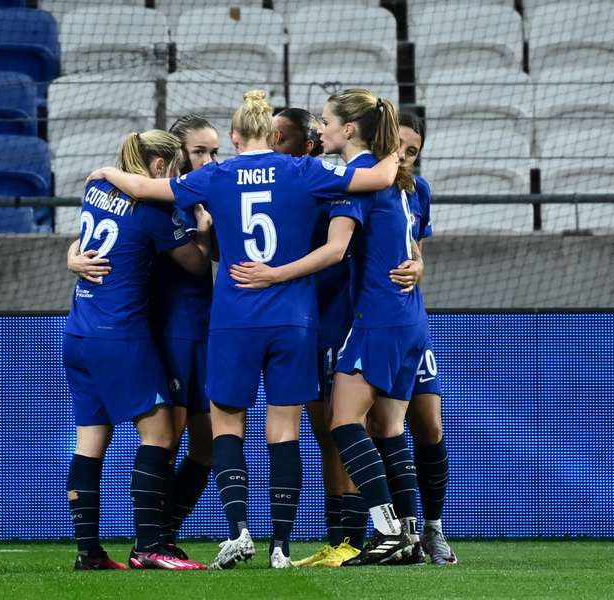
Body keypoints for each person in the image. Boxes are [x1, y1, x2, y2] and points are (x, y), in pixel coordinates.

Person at [85, 90, 400, 570]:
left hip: (234, 318)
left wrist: (107, 173)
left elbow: (149, 190)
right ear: (274, 135)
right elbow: (375, 176)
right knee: (285, 431)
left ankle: (238, 533)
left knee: (227, 425)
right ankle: (281, 547)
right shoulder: (304, 170)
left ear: (233, 136)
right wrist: (395, 149)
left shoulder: (215, 175)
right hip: (294, 318)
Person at [229, 88, 426, 566]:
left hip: (376, 316)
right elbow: (409, 244)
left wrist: (274, 273)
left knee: (343, 423)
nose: (321, 129)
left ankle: (388, 530)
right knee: (390, 426)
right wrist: (417, 265)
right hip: (410, 316)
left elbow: (337, 250)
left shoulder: (357, 177)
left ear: (349, 129)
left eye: (326, 121)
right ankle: (410, 534)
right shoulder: (397, 178)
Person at [69, 116, 220, 560]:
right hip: (129, 335)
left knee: (91, 441)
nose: (207, 162)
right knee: (161, 436)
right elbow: (196, 262)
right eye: (194, 155)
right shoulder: (155, 208)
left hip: (80, 329)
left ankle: (90, 552)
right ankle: (152, 545)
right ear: (160, 165)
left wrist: (74, 255)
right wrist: (204, 232)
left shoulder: (97, 191)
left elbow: (92, 234)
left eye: (215, 152)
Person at [385, 111, 457, 565]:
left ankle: (433, 528)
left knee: (429, 424)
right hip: (371, 321)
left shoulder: (419, 190)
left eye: (413, 151)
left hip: (412, 318)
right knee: (380, 426)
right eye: (400, 146)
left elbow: (417, 252)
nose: (406, 156)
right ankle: (398, 531)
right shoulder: (363, 184)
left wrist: (420, 266)